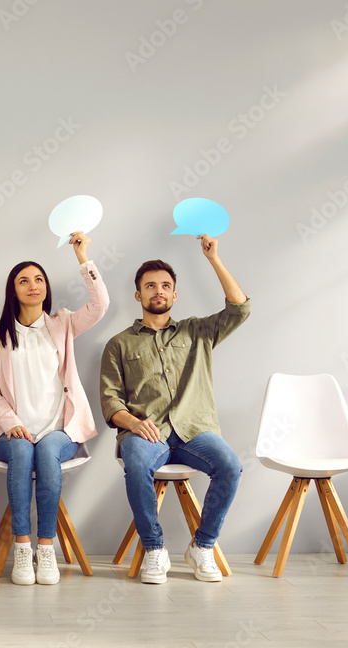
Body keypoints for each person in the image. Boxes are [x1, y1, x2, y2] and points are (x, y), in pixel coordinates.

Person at [99, 234, 250, 584]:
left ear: (174, 295)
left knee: (230, 466)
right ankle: (154, 549)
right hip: (146, 431)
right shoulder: (118, 344)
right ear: (138, 295)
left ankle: (203, 545)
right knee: (136, 464)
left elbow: (240, 308)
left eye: (165, 286)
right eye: (150, 286)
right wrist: (133, 425)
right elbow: (110, 400)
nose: (158, 291)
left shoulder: (198, 331)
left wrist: (214, 259)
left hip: (195, 430)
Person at [0, 231, 108, 585]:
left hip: (59, 429)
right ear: (14, 290)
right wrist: (10, 423)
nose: (32, 285)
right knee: (23, 452)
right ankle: (24, 549)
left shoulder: (63, 323)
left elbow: (100, 307)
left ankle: (46, 549)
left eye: (39, 279)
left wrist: (85, 258)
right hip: (14, 432)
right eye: (24, 280)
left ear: (46, 288)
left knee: (47, 450)